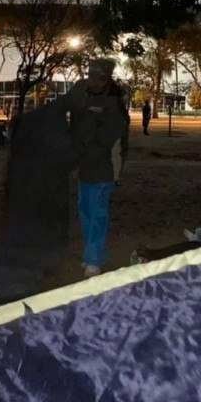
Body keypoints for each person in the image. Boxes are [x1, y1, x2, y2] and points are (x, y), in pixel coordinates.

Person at [69, 59, 125, 278]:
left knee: (98, 213)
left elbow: (108, 141)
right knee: (85, 211)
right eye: (89, 74)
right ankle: (93, 254)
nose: (90, 79)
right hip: (86, 167)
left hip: (104, 167)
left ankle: (94, 259)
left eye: (96, 76)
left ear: (105, 78)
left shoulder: (113, 102)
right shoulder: (84, 96)